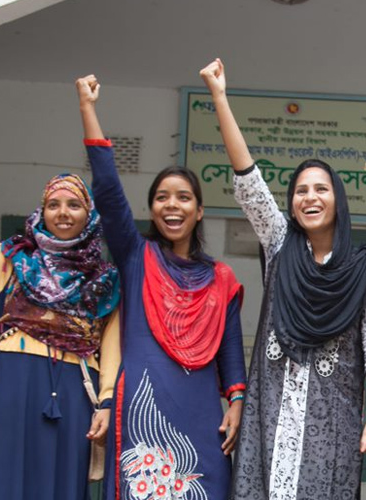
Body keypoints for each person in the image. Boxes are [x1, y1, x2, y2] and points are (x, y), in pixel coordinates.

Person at [198, 58, 366, 499]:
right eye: (301, 191)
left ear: (338, 201)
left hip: (334, 418)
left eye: (321, 189)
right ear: (290, 204)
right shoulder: (279, 244)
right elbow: (248, 179)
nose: (310, 197)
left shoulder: (365, 268)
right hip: (269, 414)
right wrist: (219, 97)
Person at [76, 74, 248, 500]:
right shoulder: (136, 257)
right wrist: (88, 110)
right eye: (162, 198)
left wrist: (239, 402)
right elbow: (109, 194)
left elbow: (230, 349)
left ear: (200, 209)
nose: (172, 205)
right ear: (151, 209)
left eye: (184, 197)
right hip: (141, 405)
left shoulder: (220, 277)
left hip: (202, 411)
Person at [0, 157, 121, 500]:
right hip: (16, 381)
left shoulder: (104, 281)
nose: (63, 213)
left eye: (73, 205)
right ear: (42, 213)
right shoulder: (13, 262)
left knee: (60, 484)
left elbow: (112, 348)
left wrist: (107, 402)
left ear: (89, 215)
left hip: (75, 389)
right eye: (53, 205)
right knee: (1, 478)